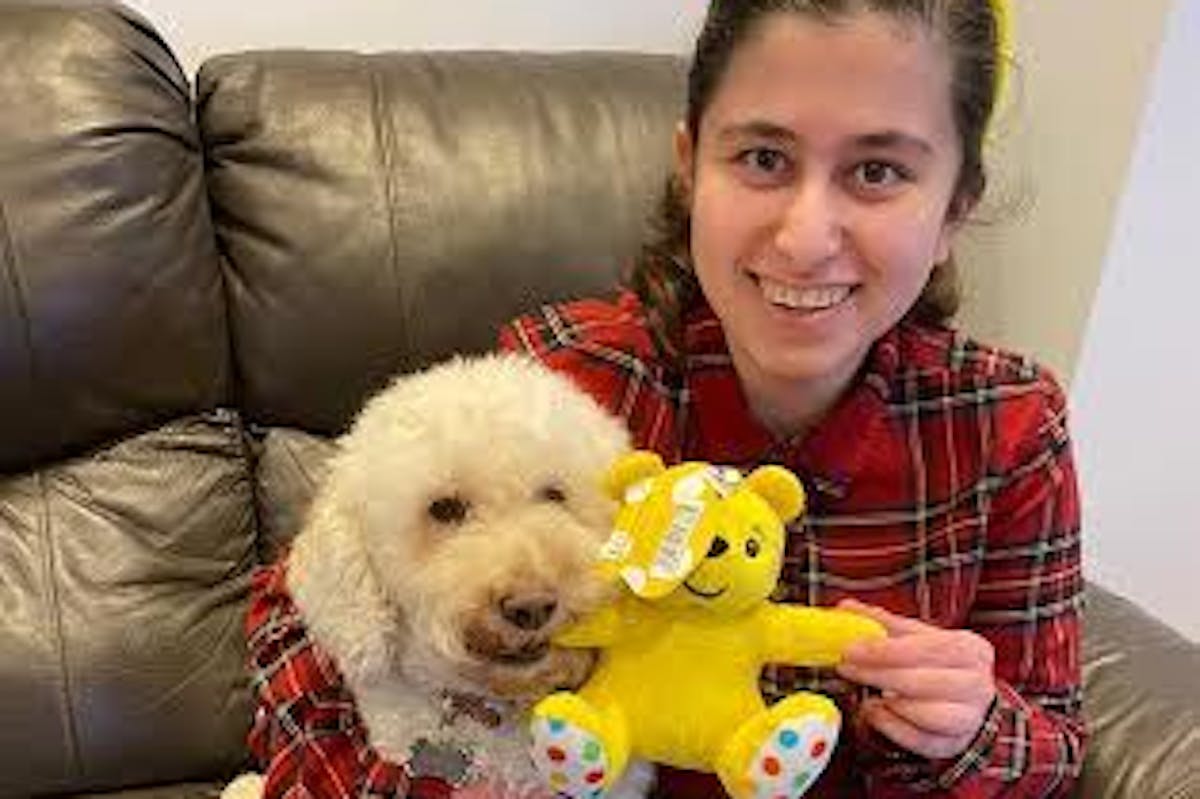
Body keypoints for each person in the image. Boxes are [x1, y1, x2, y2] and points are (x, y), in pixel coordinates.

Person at [500, 0, 1085, 795]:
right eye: (764, 159)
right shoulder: (557, 383)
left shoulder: (1008, 425)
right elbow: (320, 626)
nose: (807, 240)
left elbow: (1054, 744)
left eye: (877, 172)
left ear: (954, 209)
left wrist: (972, 725)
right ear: (690, 165)